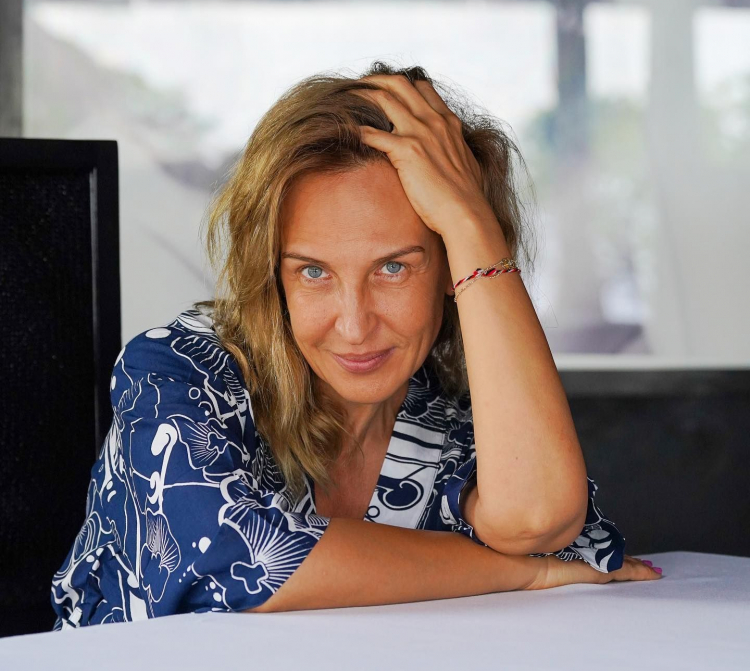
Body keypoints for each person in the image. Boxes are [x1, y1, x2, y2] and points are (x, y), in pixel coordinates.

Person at [51, 63, 662, 627]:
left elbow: (541, 520)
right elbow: (245, 564)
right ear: (272, 274)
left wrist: (472, 225)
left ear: (451, 269)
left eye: (394, 267)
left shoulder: (450, 415)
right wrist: (521, 574)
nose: (353, 325)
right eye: (313, 271)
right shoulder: (178, 371)